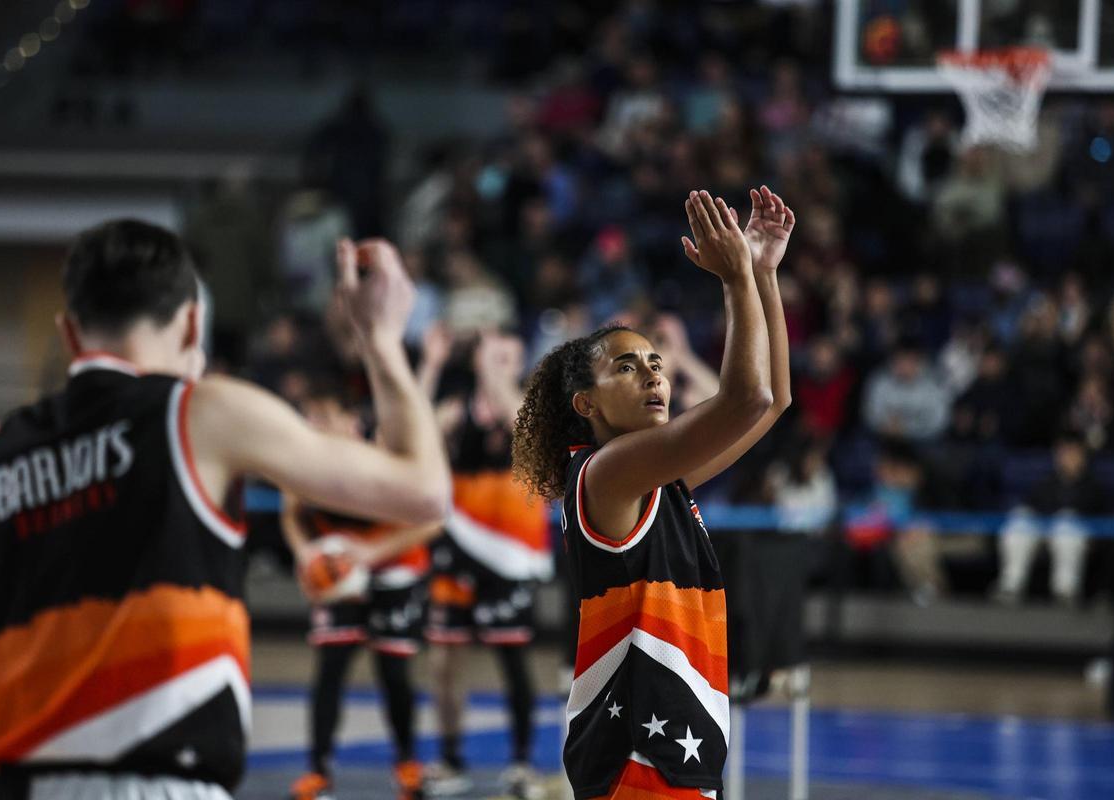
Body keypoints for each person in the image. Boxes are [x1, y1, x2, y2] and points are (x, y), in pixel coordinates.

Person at [0, 220, 450, 800]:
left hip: (17, 785)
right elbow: (423, 492)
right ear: (193, 322)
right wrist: (381, 338)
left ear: (69, 334)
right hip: (158, 784)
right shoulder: (201, 411)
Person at [513, 188, 793, 799]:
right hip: (638, 762)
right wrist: (736, 276)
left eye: (656, 362)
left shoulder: (657, 480)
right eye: (627, 367)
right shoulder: (605, 473)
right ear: (586, 405)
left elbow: (771, 404)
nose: (654, 374)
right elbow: (747, 399)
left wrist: (764, 273)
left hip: (671, 757)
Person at [283, 389, 442, 800]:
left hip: (395, 568)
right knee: (330, 668)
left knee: (393, 672)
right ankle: (317, 770)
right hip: (341, 573)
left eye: (321, 415)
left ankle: (407, 763)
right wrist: (305, 553)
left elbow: (432, 519)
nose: (312, 425)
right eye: (309, 416)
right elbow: (290, 514)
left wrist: (371, 553)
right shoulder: (305, 464)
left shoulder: (383, 460)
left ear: (351, 422)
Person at [417, 328, 552, 799]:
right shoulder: (457, 412)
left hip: (511, 558)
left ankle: (520, 763)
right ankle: (450, 759)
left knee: (513, 659)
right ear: (477, 358)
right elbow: (411, 429)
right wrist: (432, 366)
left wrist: (494, 378)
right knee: (443, 661)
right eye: (494, 353)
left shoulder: (532, 412)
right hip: (459, 549)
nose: (502, 361)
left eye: (511, 354)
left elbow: (524, 433)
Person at [992, 432, 1109, 606]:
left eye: (1072, 452)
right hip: (1044, 531)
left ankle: (1065, 591)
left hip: (1077, 536)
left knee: (1066, 523)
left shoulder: (1093, 485)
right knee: (1020, 521)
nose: (1067, 457)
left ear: (1082, 455)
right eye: (1063, 452)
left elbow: (1096, 515)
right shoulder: (1047, 481)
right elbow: (1032, 507)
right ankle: (1011, 586)